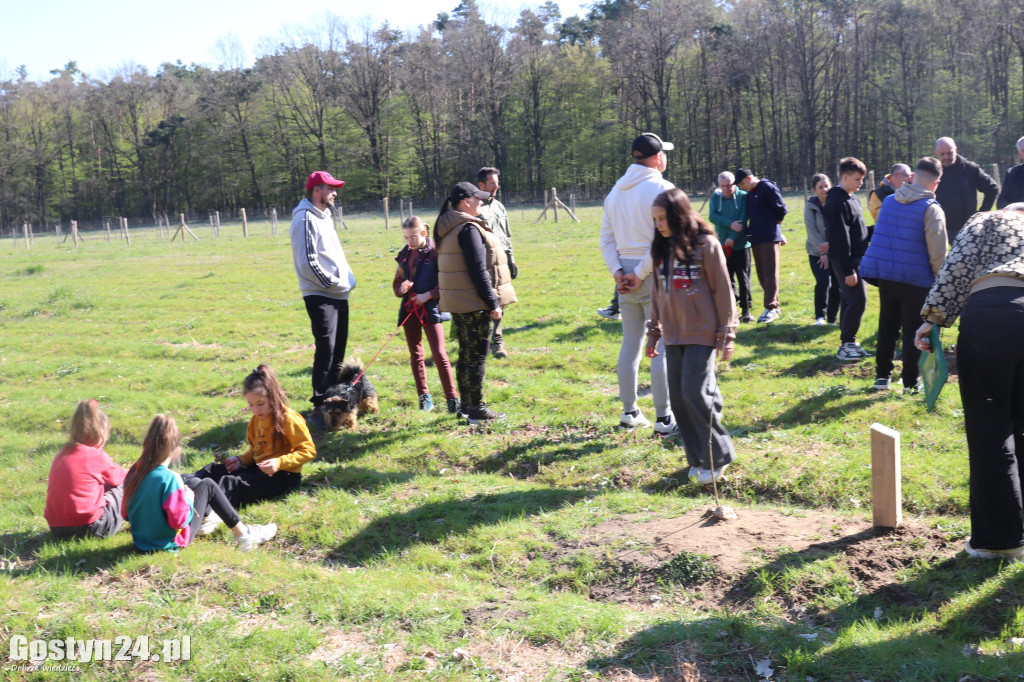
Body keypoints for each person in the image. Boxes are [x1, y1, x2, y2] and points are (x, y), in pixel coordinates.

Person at [914, 206, 1024, 560]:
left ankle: (999, 542)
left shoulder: (987, 220)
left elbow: (956, 268)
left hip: (989, 318)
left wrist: (932, 319)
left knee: (990, 431)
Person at [645, 188, 737, 485]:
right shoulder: (661, 249)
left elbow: (723, 291)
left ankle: (719, 457)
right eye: (654, 219)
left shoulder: (706, 244)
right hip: (673, 334)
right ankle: (698, 458)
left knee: (694, 392)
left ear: (678, 215)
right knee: (681, 399)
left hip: (703, 331)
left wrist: (727, 333)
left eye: (662, 218)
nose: (658, 224)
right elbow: (657, 293)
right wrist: (653, 332)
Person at [599, 133, 678, 434]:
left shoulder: (615, 190)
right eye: (665, 154)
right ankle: (664, 418)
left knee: (630, 343)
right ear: (657, 158)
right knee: (662, 345)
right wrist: (640, 272)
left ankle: (630, 412)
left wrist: (618, 272)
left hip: (626, 276)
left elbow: (606, 238)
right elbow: (665, 239)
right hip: (654, 273)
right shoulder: (663, 188)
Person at [122, 415, 277, 552]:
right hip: (169, 543)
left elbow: (125, 514)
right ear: (176, 451)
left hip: (141, 542)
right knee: (208, 484)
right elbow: (178, 521)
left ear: (146, 444)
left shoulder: (134, 473)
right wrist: (188, 500)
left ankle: (206, 520)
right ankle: (245, 535)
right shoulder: (170, 478)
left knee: (195, 481)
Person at [860, 157, 947, 391]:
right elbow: (938, 255)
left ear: (912, 177)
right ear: (936, 183)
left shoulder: (888, 201)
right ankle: (910, 381)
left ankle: (882, 377)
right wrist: (942, 284)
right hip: (916, 280)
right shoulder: (932, 209)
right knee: (912, 331)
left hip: (887, 276)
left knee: (887, 326)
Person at [435, 182, 517, 424]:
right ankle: (477, 409)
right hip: (475, 302)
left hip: (461, 302)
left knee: (466, 355)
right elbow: (478, 270)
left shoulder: (449, 226)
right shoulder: (468, 228)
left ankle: (467, 405)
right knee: (476, 358)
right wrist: (493, 303)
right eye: (477, 198)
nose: (482, 202)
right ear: (465, 201)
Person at [191, 365, 316, 513]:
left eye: (260, 404)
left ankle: (202, 510)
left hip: (283, 477)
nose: (256, 410)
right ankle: (182, 485)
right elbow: (256, 450)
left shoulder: (289, 419)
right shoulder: (255, 421)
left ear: (272, 397)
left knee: (232, 484)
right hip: (259, 470)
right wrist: (240, 460)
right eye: (251, 405)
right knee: (213, 470)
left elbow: (308, 451)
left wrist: (278, 462)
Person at [290, 170, 357, 428]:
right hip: (320, 293)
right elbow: (308, 262)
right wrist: (335, 283)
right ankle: (320, 405)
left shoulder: (324, 216)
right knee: (326, 348)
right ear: (316, 190)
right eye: (330, 188)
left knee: (338, 347)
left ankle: (335, 401)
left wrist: (346, 281)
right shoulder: (305, 218)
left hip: (337, 293)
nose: (334, 192)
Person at [393, 216, 460, 414]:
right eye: (406, 237)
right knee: (416, 355)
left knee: (440, 354)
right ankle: (424, 397)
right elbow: (396, 284)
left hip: (431, 309)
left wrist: (428, 295)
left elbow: (448, 281)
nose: (409, 241)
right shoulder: (404, 254)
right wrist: (401, 289)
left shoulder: (437, 251)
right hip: (409, 310)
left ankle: (452, 399)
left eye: (413, 236)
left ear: (423, 232)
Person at [44, 400, 126, 539]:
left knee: (102, 485)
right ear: (101, 433)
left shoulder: (62, 454)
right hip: (91, 529)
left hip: (57, 530)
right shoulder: (95, 455)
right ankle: (143, 523)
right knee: (127, 485)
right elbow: (121, 477)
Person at [824, 157, 871, 361]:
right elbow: (839, 238)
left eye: (862, 179)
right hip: (847, 260)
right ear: (845, 176)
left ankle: (847, 342)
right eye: (857, 179)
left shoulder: (851, 197)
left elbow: (856, 231)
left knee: (849, 300)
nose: (861, 183)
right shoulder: (836, 201)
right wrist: (848, 269)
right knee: (858, 300)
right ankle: (847, 344)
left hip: (857, 258)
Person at [734, 168, 787, 323]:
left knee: (770, 272)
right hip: (755, 238)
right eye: (740, 185)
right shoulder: (750, 193)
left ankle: (771, 307)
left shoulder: (767, 187)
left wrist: (775, 229)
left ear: (750, 178)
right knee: (762, 274)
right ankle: (774, 306)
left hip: (769, 237)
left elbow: (781, 209)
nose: (742, 187)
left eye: (743, 183)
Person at [476, 167, 516, 358]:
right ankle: (483, 341)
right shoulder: (474, 208)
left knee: (500, 301)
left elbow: (507, 235)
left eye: (497, 182)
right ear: (481, 185)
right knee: (486, 303)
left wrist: (512, 259)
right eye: (492, 183)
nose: (496, 186)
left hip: (502, 263)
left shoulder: (499, 207)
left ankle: (497, 341)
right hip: (483, 264)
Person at [933, 137, 998, 242]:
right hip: (939, 228)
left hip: (967, 228)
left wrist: (981, 215)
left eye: (950, 153)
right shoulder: (932, 172)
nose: (946, 157)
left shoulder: (970, 169)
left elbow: (992, 188)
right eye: (942, 154)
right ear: (936, 153)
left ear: (956, 150)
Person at [709, 171, 753, 323]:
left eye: (729, 185)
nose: (727, 189)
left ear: (734, 184)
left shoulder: (742, 197)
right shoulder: (715, 197)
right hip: (722, 245)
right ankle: (732, 309)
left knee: (743, 278)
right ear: (719, 185)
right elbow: (712, 216)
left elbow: (743, 217)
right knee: (727, 279)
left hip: (741, 245)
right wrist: (729, 225)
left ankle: (746, 310)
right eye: (723, 186)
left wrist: (732, 237)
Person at [804, 173, 840, 326]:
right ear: (814, 190)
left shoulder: (837, 203)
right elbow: (812, 232)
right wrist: (823, 253)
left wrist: (830, 246)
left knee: (837, 285)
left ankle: (832, 318)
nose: (825, 189)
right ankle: (820, 316)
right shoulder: (810, 207)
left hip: (836, 251)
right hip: (816, 252)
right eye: (820, 187)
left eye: (827, 186)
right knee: (823, 281)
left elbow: (840, 229)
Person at [997, 136, 1024, 209]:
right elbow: (1001, 202)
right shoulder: (1012, 174)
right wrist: (1015, 208)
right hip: (1018, 218)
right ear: (1020, 155)